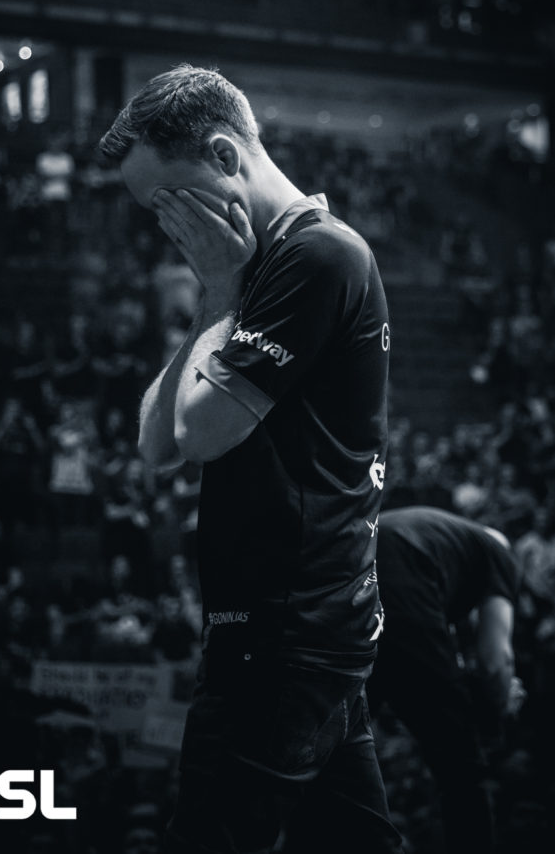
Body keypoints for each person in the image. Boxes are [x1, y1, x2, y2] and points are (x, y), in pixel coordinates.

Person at [98, 64, 402, 853]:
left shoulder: (316, 256)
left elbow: (200, 436)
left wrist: (222, 290)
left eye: (170, 199)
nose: (165, 224)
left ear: (225, 157)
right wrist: (216, 298)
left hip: (281, 642)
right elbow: (156, 446)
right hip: (303, 636)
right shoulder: (248, 275)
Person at [368, 506, 525, 854]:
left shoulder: (443, 540)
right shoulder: (498, 553)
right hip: (403, 597)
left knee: (345, 740)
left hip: (353, 588)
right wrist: (500, 703)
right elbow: (495, 661)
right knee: (461, 762)